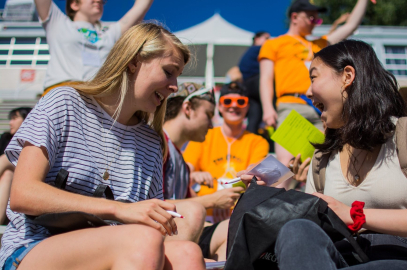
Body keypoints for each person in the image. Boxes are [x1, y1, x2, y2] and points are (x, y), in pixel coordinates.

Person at [0, 22, 206, 270]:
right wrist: (118, 210)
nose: (174, 87)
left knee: (188, 253)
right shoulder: (64, 102)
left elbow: (150, 226)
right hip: (34, 246)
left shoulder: (152, 142)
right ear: (133, 61)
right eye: (168, 72)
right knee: (141, 240)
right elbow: (23, 195)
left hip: (120, 249)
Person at [252, 40, 407, 269]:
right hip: (335, 259)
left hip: (401, 258)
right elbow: (310, 232)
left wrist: (354, 215)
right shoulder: (322, 157)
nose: (308, 91)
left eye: (313, 77)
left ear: (347, 76)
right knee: (297, 230)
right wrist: (265, 193)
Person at [259, 0, 373, 170]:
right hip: (291, 106)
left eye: (317, 19)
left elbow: (350, 26)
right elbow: (266, 77)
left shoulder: (320, 45)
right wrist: (267, 108)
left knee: (324, 163)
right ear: (295, 17)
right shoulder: (274, 44)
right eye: (311, 18)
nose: (315, 22)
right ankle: (278, 196)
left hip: (322, 108)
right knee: (287, 164)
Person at [163, 83, 242, 261]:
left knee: (234, 228)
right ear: (188, 108)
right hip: (154, 235)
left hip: (176, 231)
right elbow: (149, 203)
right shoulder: (157, 145)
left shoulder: (179, 158)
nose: (212, 125)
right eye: (208, 115)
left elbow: (185, 209)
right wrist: (213, 200)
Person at [183, 82, 269, 224]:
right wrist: (195, 176)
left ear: (247, 107)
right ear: (220, 107)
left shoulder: (257, 142)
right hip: (203, 213)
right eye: (227, 101)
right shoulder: (204, 136)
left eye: (241, 102)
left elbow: (255, 176)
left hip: (240, 215)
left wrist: (226, 198)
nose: (233, 106)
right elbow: (184, 176)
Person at [34, 0, 154, 95]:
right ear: (74, 4)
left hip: (97, 96)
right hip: (60, 91)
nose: (99, 1)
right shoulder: (58, 23)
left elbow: (141, 6)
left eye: (102, 1)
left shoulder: (110, 33)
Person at [0, 107, 32, 225]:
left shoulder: (35, 139)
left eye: (14, 118)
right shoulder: (6, 138)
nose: (10, 123)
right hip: (8, 182)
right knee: (7, 174)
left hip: (25, 175)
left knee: (6, 158)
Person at [238, 31, 270, 134]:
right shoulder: (259, 49)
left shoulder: (248, 52)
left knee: (254, 118)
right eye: (266, 38)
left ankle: (251, 140)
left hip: (248, 88)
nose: (269, 42)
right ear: (257, 39)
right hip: (257, 83)